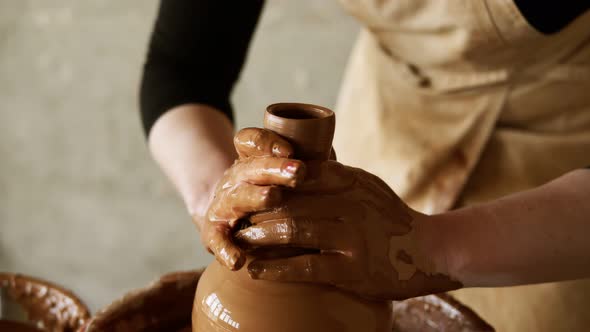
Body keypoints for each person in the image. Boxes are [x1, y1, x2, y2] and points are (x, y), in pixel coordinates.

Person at [140, 1, 590, 331]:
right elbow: (181, 68)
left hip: (552, 184)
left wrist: (428, 246)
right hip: (389, 112)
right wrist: (219, 197)